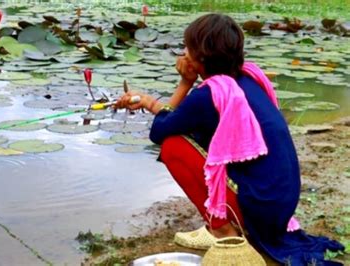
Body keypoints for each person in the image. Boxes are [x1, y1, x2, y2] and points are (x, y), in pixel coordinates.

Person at [115, 13, 344, 265]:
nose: (184, 53)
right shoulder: (246, 80)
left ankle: (223, 231)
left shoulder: (210, 94)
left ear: (201, 56)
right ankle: (223, 221)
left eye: (188, 48)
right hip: (279, 207)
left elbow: (159, 132)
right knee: (199, 137)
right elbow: (180, 117)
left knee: (174, 147)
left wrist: (184, 82)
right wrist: (149, 102)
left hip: (260, 209)